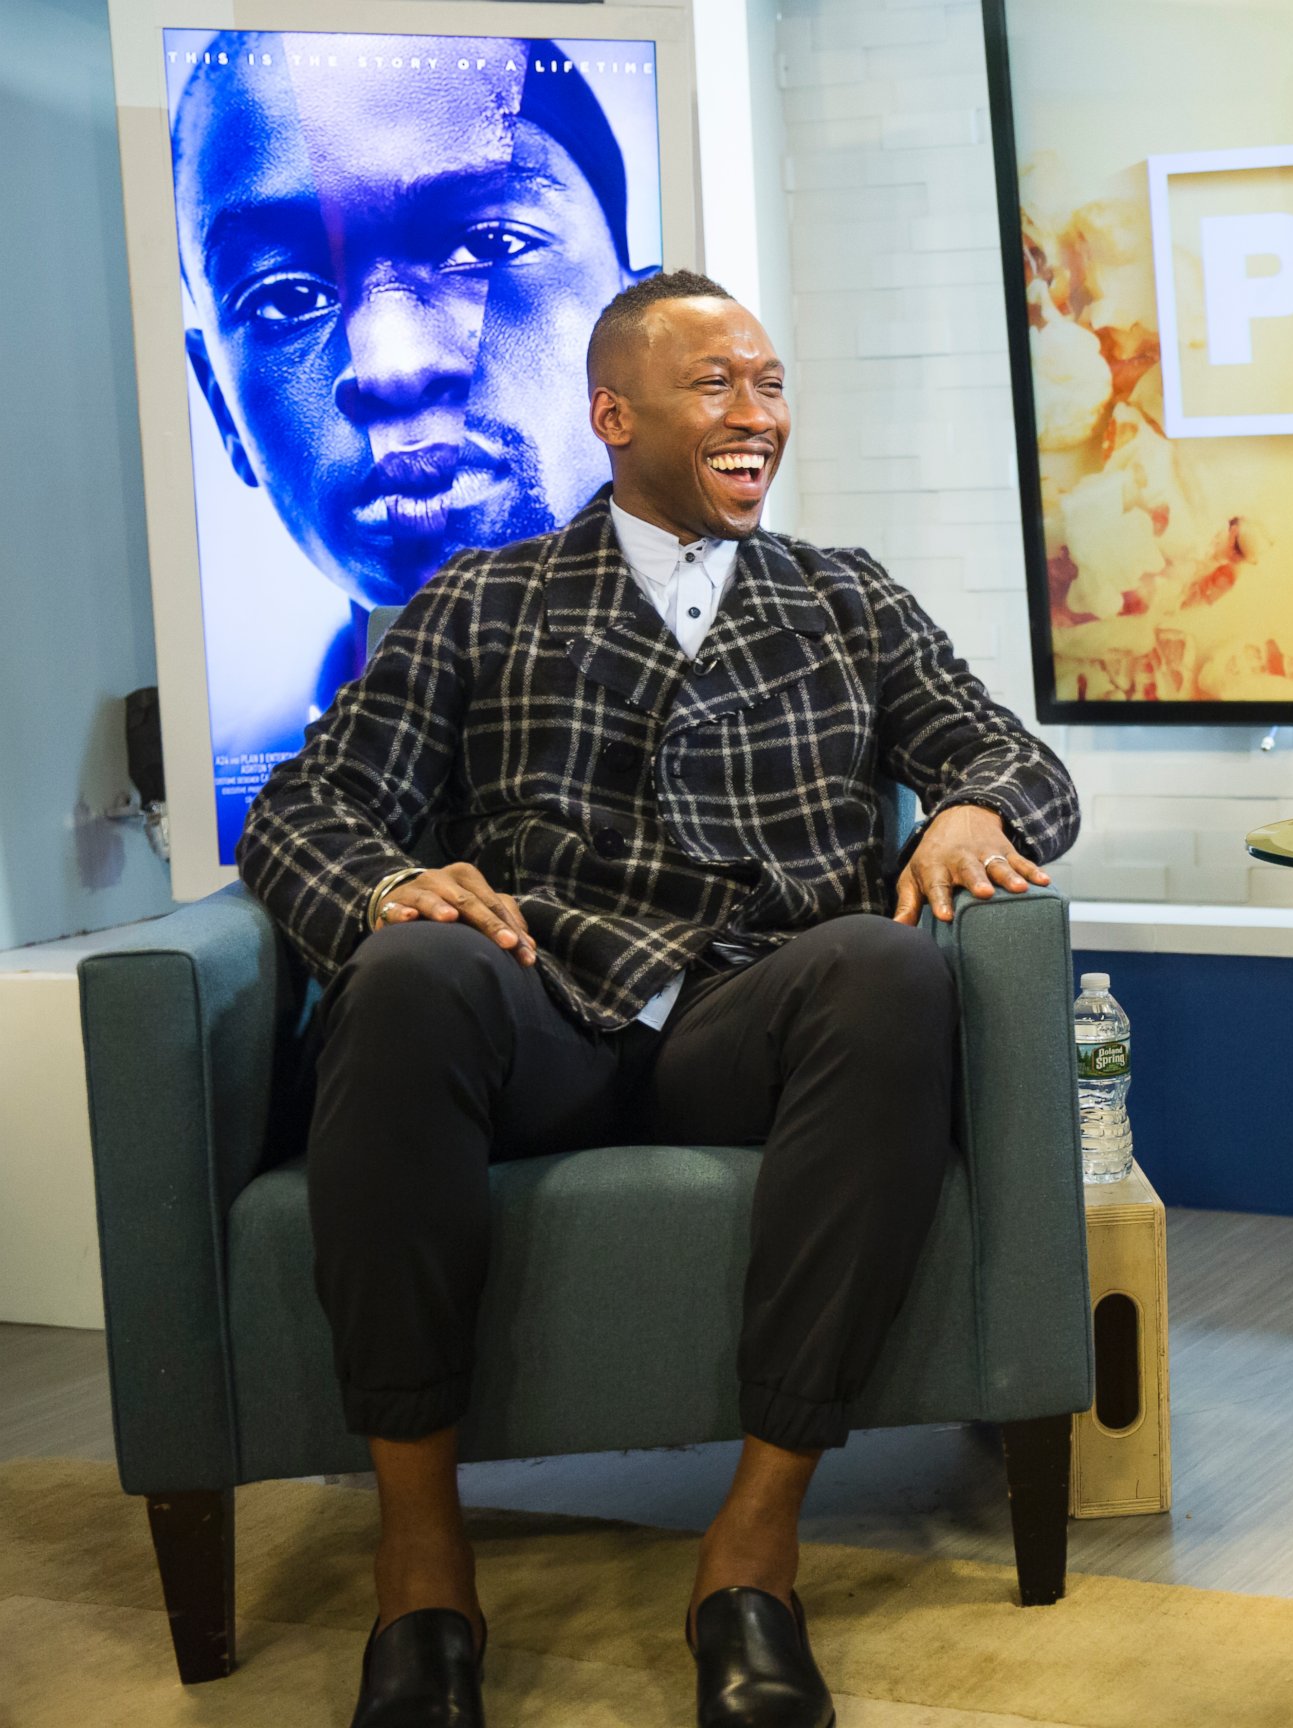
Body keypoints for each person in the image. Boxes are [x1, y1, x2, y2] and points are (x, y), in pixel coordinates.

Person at [238, 268, 1080, 1728]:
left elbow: (1016, 758)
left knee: (886, 965)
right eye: (715, 385)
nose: (757, 413)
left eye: (770, 382)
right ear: (613, 417)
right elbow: (306, 809)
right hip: (543, 1010)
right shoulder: (479, 598)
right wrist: (388, 891)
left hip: (751, 1015)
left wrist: (969, 808)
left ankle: (752, 1554)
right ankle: (422, 1568)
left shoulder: (846, 597)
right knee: (409, 970)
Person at [170, 33, 650, 847]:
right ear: (224, 412)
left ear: (640, 342)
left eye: (490, 245)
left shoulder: (779, 655)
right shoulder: (269, 807)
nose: (391, 366)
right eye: (285, 298)